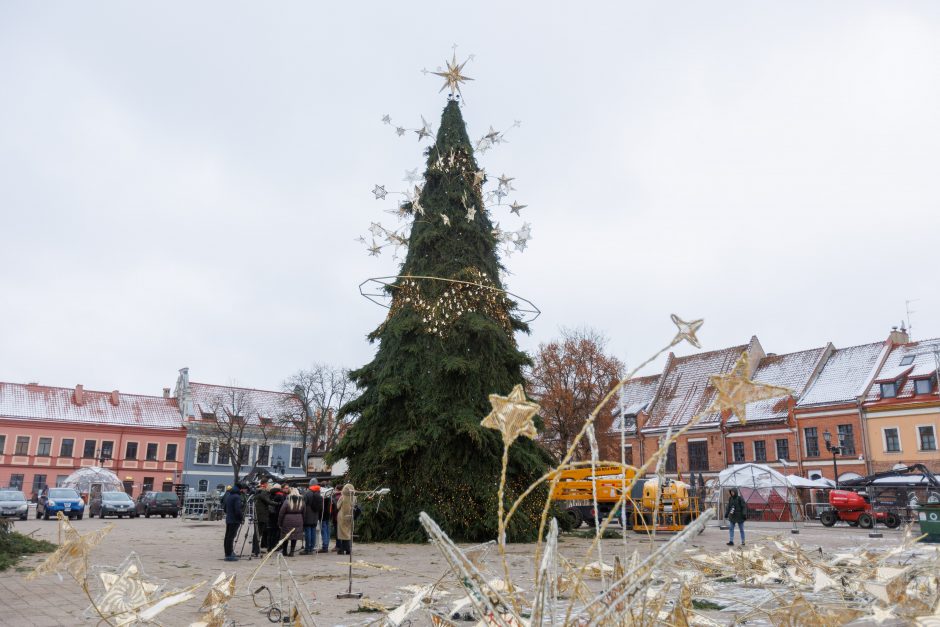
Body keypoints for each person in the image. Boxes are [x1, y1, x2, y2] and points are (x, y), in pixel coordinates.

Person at [223, 482, 248, 561]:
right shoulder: (237, 497)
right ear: (240, 489)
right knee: (231, 537)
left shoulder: (230, 495)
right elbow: (238, 510)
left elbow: (225, 508)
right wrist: (241, 518)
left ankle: (228, 552)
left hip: (229, 519)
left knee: (228, 537)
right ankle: (229, 554)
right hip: (234, 520)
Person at [278, 488, 305, 557]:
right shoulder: (301, 501)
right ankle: (292, 552)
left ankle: (284, 551)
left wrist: (279, 523)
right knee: (294, 537)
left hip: (287, 520)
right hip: (298, 520)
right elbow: (304, 512)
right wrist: (303, 521)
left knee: (285, 536)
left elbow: (281, 513)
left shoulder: (287, 501)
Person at [302, 482, 323, 555]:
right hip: (315, 516)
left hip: (308, 515)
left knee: (308, 532)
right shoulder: (319, 494)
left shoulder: (308, 493)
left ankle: (307, 549)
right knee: (313, 532)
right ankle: (311, 548)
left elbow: (303, 504)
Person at [336, 483, 356, 555]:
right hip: (350, 516)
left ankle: (341, 549)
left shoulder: (342, 497)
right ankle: (348, 549)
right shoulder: (353, 497)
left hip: (342, 516)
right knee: (348, 532)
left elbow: (338, 506)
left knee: (341, 533)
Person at [253, 481, 271, 556]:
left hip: (259, 516)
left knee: (257, 533)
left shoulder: (258, 494)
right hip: (261, 517)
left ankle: (255, 549)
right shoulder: (262, 494)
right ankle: (256, 550)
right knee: (258, 533)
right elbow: (268, 501)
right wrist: (277, 503)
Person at [266, 484, 286, 549]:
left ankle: (269, 547)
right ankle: (276, 546)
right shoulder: (280, 496)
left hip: (270, 516)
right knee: (277, 532)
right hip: (277, 516)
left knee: (270, 532)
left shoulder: (268, 495)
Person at [318, 484, 333, 553]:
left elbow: (321, 508)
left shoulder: (323, 497)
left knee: (324, 531)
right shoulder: (329, 497)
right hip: (328, 516)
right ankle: (326, 545)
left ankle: (325, 546)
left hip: (323, 516)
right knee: (327, 531)